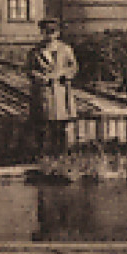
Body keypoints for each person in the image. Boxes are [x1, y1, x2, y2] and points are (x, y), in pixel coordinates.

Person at [27, 18, 79, 157]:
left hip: (61, 92)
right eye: (46, 32)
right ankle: (42, 155)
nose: (49, 35)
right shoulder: (35, 51)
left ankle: (62, 155)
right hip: (44, 92)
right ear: (42, 33)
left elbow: (73, 67)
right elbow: (29, 70)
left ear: (57, 33)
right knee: (43, 125)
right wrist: (40, 77)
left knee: (62, 125)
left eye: (52, 32)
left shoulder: (65, 49)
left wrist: (63, 74)